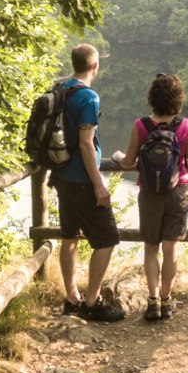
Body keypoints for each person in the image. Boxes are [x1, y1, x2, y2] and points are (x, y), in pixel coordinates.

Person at [112, 73, 188, 321]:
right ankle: (167, 300)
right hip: (178, 192)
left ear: (152, 99)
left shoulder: (141, 126)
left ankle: (153, 300)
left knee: (150, 248)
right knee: (171, 249)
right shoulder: (187, 126)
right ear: (178, 99)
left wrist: (115, 157)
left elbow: (128, 161)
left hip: (149, 193)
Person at [50, 44, 124, 322]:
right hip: (82, 180)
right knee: (106, 239)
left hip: (61, 177)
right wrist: (98, 185)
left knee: (69, 237)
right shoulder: (88, 98)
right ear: (95, 66)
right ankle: (91, 303)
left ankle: (72, 299)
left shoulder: (61, 89)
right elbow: (85, 143)